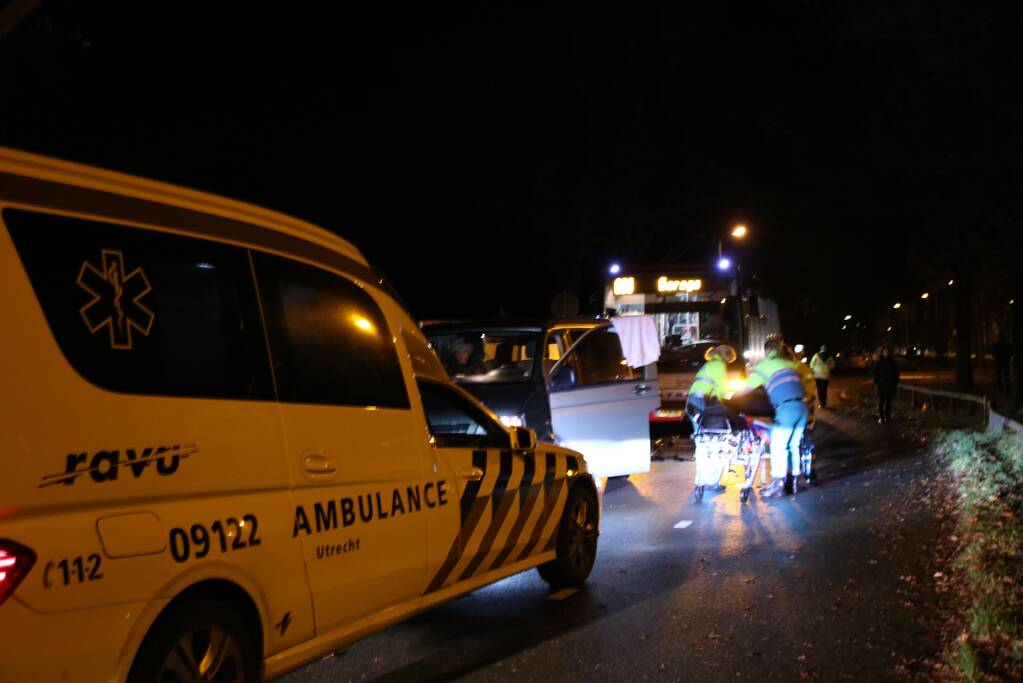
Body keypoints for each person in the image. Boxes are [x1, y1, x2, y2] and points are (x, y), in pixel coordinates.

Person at [742, 339, 808, 497]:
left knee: (778, 446)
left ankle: (778, 485)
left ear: (766, 351)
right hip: (802, 407)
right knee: (793, 445)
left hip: (786, 408)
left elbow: (746, 388)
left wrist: (728, 395)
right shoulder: (791, 364)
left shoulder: (764, 366)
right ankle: (795, 481)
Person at [686, 345, 737, 499]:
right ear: (726, 357)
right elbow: (721, 392)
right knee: (714, 442)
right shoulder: (720, 366)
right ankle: (711, 482)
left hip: (692, 403)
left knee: (701, 443)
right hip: (703, 404)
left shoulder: (708, 364)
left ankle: (700, 480)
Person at [787, 344, 819, 485]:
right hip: (803, 409)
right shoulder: (800, 368)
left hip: (798, 409)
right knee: (807, 441)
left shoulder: (796, 368)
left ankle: (805, 471)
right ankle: (810, 473)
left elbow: (810, 388)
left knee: (804, 441)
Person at [872, 346, 900, 424]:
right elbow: (874, 373)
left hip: (890, 385)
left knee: (888, 402)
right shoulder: (879, 362)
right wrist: (877, 382)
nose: (886, 353)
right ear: (883, 353)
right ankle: (881, 416)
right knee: (881, 401)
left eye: (887, 352)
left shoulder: (892, 362)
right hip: (881, 385)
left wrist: (895, 382)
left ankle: (888, 416)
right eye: (885, 352)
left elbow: (896, 373)